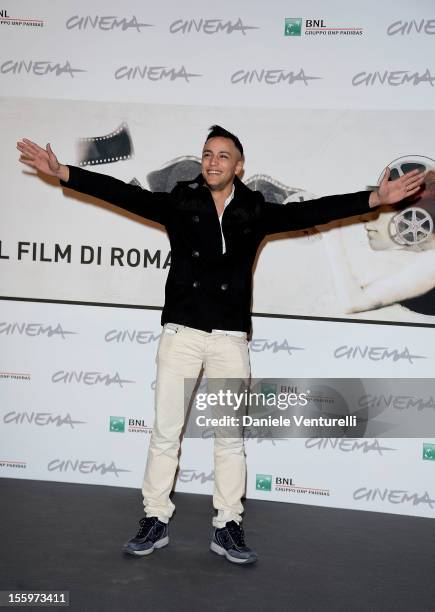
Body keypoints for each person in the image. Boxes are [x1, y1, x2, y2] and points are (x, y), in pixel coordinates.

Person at [16, 125, 424, 564]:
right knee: (164, 435)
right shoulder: (181, 201)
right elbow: (127, 196)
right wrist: (65, 173)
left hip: (230, 339)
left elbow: (312, 214)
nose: (212, 161)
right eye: (207, 154)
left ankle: (227, 525)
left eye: (223, 156)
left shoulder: (255, 209)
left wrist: (373, 200)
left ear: (239, 165)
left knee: (229, 439)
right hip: (181, 335)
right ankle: (155, 519)